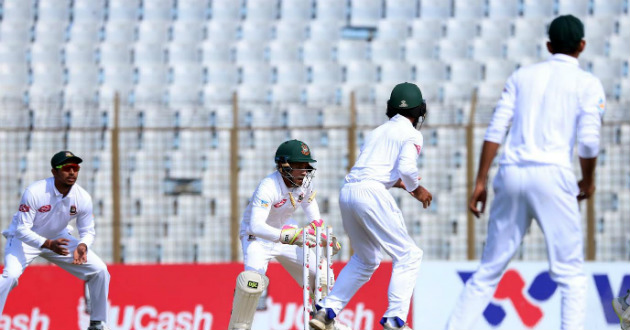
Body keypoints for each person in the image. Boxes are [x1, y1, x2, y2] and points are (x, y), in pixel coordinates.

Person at [444, 15, 605, 330]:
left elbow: (496, 130)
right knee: (571, 274)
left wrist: (480, 181)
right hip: (553, 174)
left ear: (548, 45)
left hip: (512, 171)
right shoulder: (587, 83)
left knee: (489, 270)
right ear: (582, 46)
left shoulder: (523, 75)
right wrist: (588, 179)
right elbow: (588, 141)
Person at [310, 82, 433, 330]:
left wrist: (398, 184)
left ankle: (326, 311)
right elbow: (407, 168)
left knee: (367, 259)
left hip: (348, 192)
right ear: (420, 111)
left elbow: (374, 170)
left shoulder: (377, 131)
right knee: (409, 255)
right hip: (371, 194)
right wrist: (416, 190)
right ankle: (395, 319)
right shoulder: (412, 134)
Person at [227, 139, 346, 330]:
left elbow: (309, 203)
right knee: (252, 283)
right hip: (257, 238)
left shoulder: (304, 183)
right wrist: (289, 237)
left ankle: (324, 319)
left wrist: (320, 232)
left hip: (287, 234)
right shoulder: (268, 186)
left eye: (306, 167)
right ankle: (239, 325)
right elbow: (256, 225)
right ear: (283, 167)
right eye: (298, 166)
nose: (304, 172)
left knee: (321, 274)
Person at [0, 151, 111, 330]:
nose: (72, 172)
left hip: (59, 239)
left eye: (75, 168)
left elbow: (88, 231)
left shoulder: (82, 197)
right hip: (24, 240)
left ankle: (97, 323)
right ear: (54, 172)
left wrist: (83, 245)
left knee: (100, 270)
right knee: (10, 276)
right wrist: (48, 244)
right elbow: (21, 229)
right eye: (67, 168)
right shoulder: (35, 192)